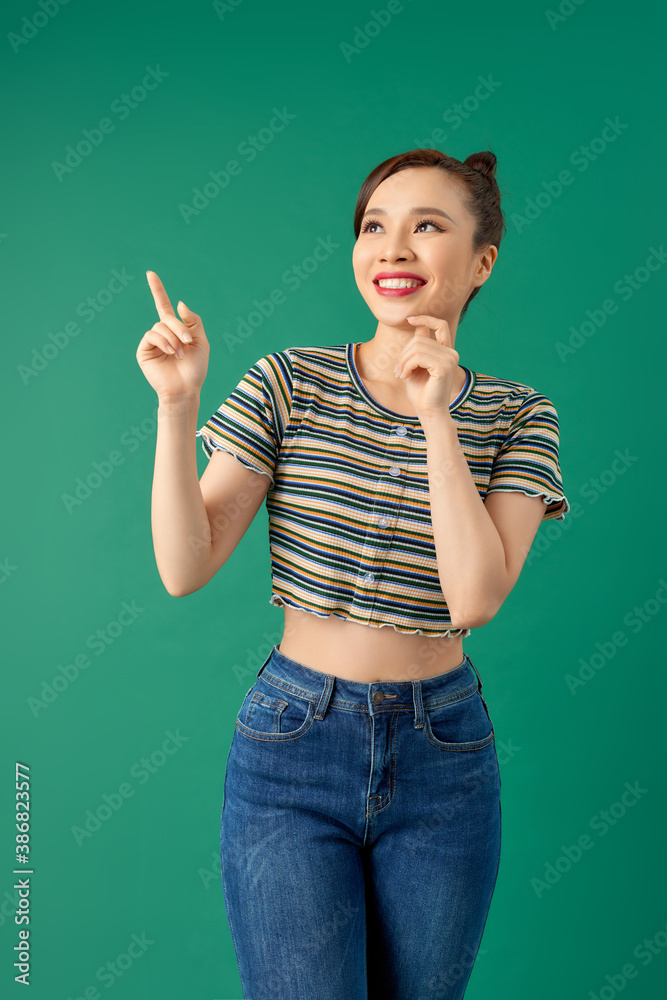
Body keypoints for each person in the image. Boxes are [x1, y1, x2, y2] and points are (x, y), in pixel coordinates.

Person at [136, 147, 569, 1000]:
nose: (392, 249)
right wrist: (176, 402)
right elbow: (184, 568)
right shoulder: (288, 382)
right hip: (292, 745)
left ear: (482, 261)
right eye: (375, 226)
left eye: (426, 227)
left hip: (444, 755)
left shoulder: (519, 414)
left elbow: (473, 597)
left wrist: (435, 414)